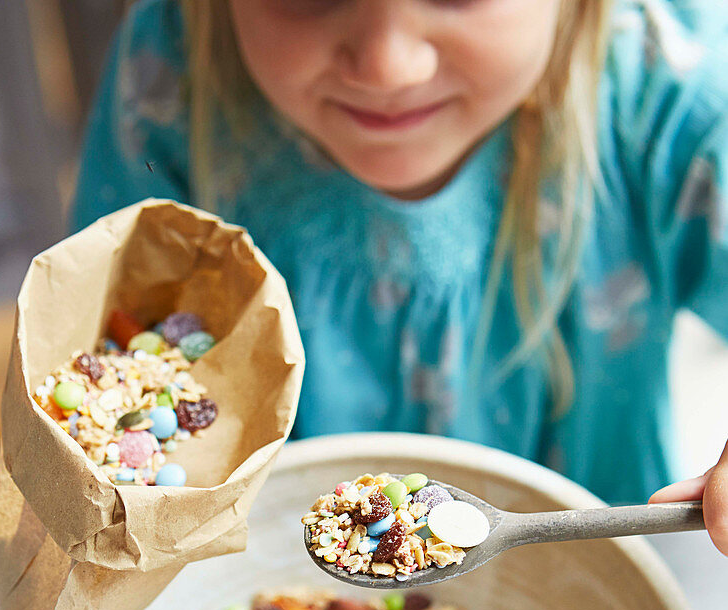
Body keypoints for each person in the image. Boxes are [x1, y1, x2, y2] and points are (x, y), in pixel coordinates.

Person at [72, 0, 728, 550]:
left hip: (598, 561)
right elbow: (108, 345)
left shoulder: (669, 91)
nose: (388, 66)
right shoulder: (169, 79)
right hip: (239, 571)